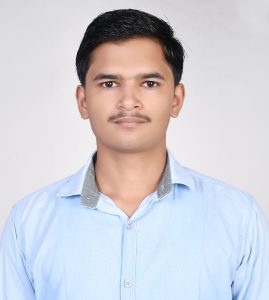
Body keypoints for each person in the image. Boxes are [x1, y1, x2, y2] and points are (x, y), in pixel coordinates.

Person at [0, 8, 268, 300]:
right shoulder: (29, 222)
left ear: (176, 100)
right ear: (83, 101)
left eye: (149, 83)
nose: (129, 101)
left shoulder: (237, 216)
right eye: (109, 83)